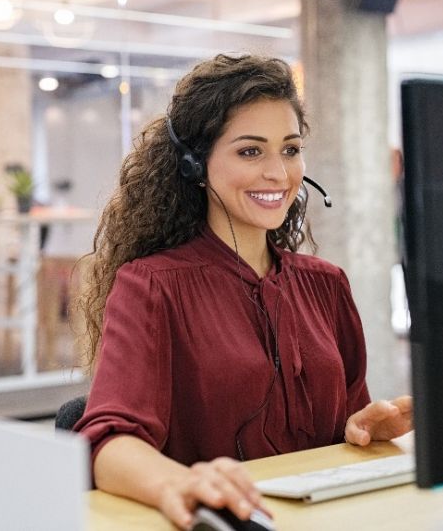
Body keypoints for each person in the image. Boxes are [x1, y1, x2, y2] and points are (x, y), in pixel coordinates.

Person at [73, 53, 412, 529]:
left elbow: (346, 421)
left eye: (290, 150)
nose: (278, 173)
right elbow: (105, 443)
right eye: (250, 151)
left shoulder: (326, 284)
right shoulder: (152, 286)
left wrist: (361, 428)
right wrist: (177, 483)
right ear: (195, 164)